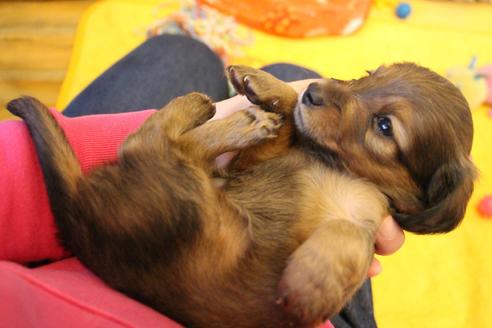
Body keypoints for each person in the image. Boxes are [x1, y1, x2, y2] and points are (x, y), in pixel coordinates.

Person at [1, 34, 404, 327]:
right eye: (367, 76)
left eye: (385, 126)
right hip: (199, 264)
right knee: (293, 82)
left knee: (180, 52)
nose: (340, 93)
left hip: (123, 233)